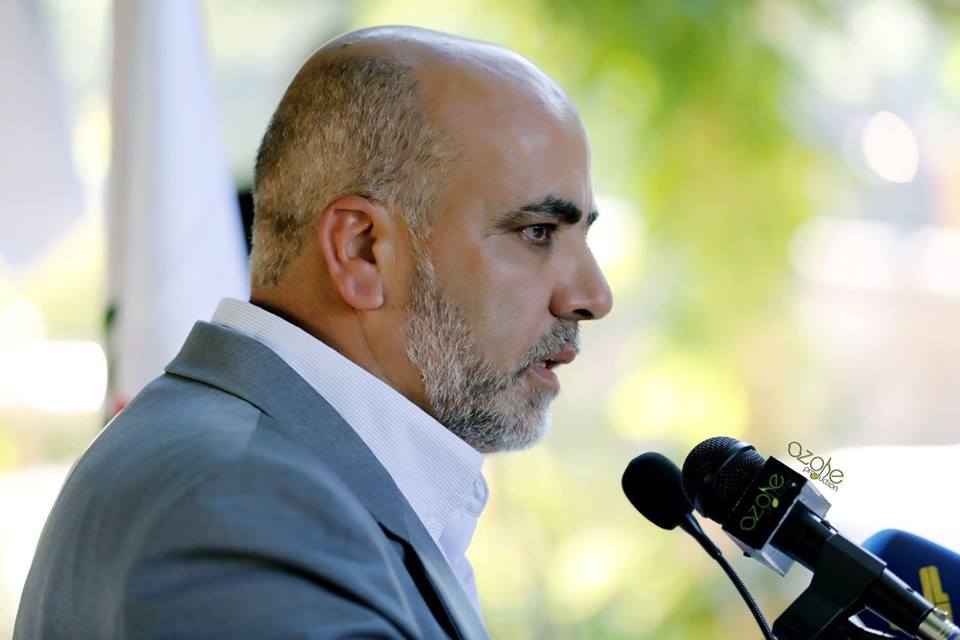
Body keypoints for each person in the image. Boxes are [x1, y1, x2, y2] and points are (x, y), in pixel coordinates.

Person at [14, 25, 613, 639]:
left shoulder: (271, 475)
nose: (593, 297)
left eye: (582, 236)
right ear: (362, 251)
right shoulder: (241, 508)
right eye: (538, 232)